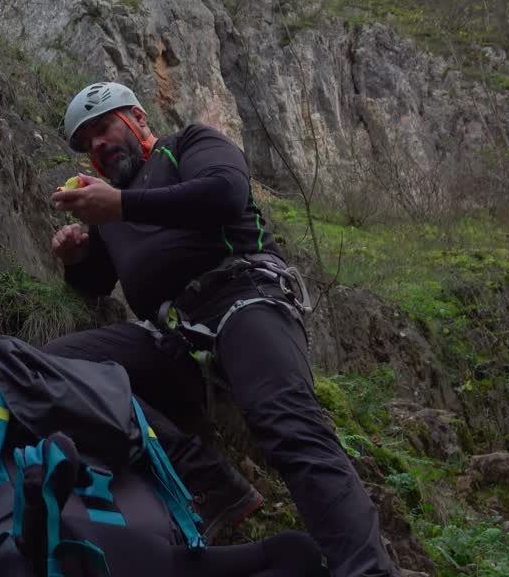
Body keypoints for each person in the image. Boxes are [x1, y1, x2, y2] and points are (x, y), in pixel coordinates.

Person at [43, 81, 399, 577]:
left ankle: (366, 570)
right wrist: (76, 256)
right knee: (54, 366)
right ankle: (205, 475)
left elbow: (225, 194)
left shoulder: (188, 145)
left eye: (103, 128)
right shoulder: (108, 207)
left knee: (288, 424)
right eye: (87, 142)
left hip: (244, 296)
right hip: (172, 337)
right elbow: (100, 281)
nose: (98, 145)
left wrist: (120, 207)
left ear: (138, 119)